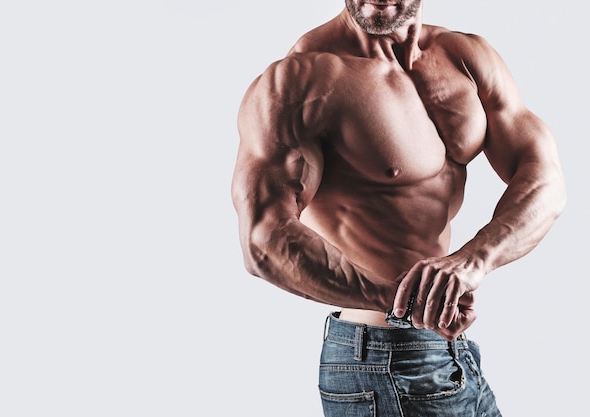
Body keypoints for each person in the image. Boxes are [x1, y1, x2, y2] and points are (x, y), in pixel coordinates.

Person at [231, 1, 566, 416]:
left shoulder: (467, 57)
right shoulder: (299, 81)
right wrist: (402, 301)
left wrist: (472, 261)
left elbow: (545, 179)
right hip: (382, 358)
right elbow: (264, 239)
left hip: (450, 352)